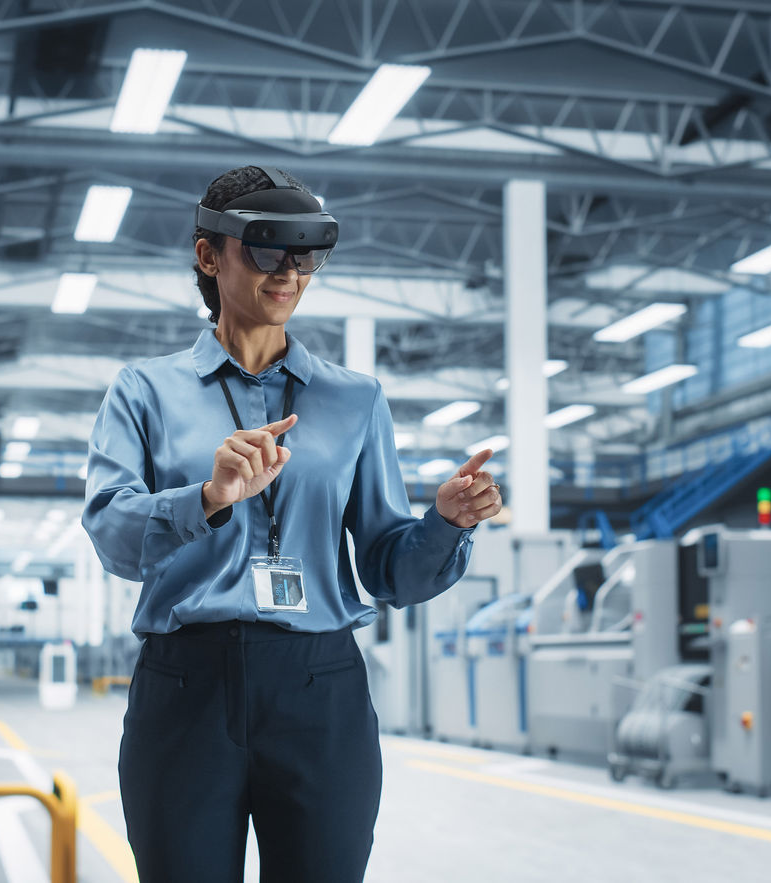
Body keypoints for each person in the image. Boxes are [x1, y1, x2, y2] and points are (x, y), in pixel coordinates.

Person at [82, 165, 503, 883]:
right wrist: (209, 497)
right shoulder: (143, 390)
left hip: (320, 686)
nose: (291, 273)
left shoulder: (356, 401)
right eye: (269, 251)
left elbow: (385, 567)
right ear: (208, 255)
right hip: (187, 686)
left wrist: (444, 524)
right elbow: (114, 536)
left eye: (307, 254)